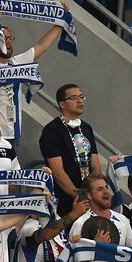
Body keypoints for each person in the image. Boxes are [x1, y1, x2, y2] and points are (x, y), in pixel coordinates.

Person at [39, 83, 100, 216]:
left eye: (81, 97)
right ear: (62, 104)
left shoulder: (86, 128)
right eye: (73, 98)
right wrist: (78, 195)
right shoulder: (52, 130)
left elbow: (95, 164)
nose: (79, 101)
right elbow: (57, 171)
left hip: (89, 196)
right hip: (65, 198)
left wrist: (95, 190)